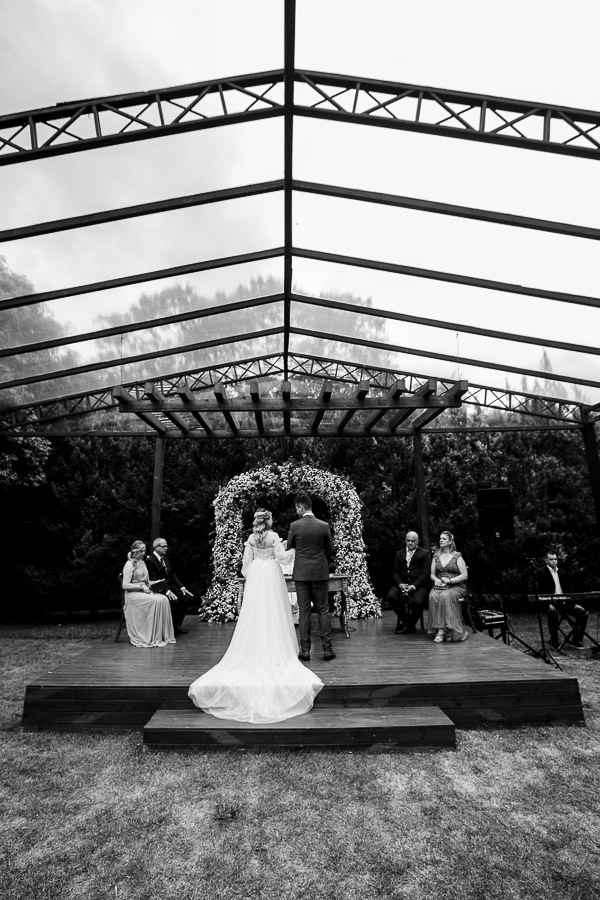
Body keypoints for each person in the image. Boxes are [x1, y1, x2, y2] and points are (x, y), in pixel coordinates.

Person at [188, 509, 323, 723]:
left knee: (256, 610)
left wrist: (255, 574)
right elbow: (282, 557)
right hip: (271, 573)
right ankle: (275, 646)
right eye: (271, 518)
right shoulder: (274, 537)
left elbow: (245, 567)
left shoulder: (251, 538)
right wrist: (295, 549)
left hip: (257, 574)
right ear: (268, 520)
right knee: (275, 611)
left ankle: (255, 644)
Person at [287, 492, 336, 662]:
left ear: (301, 507)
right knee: (323, 610)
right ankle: (327, 649)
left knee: (304, 611)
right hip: (320, 572)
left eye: (297, 509)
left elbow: (290, 545)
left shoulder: (294, 526)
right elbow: (329, 551)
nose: (296, 512)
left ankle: (305, 651)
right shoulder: (323, 526)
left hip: (301, 573)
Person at [121, 540, 176, 648]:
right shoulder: (129, 564)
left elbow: (146, 580)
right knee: (156, 600)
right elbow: (125, 585)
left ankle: (160, 635)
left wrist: (154, 583)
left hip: (144, 590)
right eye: (141, 551)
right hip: (133, 594)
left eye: (144, 551)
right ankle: (149, 634)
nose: (143, 554)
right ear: (135, 551)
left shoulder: (142, 563)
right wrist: (140, 587)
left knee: (163, 599)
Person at [537, 551, 588, 650]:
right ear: (546, 561)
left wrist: (575, 604)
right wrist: (549, 604)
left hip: (564, 602)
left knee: (582, 612)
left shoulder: (562, 572)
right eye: (551, 559)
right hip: (549, 603)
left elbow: (569, 590)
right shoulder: (541, 572)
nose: (554, 561)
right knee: (553, 612)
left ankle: (576, 640)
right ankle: (555, 642)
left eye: (555, 559)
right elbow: (541, 590)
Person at [427, 530, 469, 643]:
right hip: (441, 586)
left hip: (456, 586)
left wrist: (450, 580)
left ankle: (442, 631)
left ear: (450, 541)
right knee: (433, 595)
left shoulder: (457, 556)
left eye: (444, 539)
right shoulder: (436, 556)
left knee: (445, 596)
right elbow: (432, 574)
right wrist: (436, 580)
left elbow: (465, 575)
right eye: (440, 538)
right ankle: (442, 628)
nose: (441, 540)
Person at [145, 537, 194, 635]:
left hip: (171, 587)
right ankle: (169, 627)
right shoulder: (150, 561)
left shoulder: (165, 559)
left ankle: (176, 625)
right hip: (159, 589)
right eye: (163, 546)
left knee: (188, 598)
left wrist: (182, 587)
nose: (166, 548)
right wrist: (166, 591)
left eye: (166, 546)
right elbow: (154, 580)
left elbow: (172, 575)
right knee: (174, 602)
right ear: (156, 547)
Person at [385, 531, 431, 634]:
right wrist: (400, 584)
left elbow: (425, 573)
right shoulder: (399, 553)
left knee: (417, 602)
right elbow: (395, 572)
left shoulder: (424, 553)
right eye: (408, 540)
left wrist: (414, 586)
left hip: (418, 585)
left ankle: (409, 624)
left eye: (413, 541)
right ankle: (409, 624)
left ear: (417, 541)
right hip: (402, 584)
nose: (410, 543)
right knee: (391, 597)